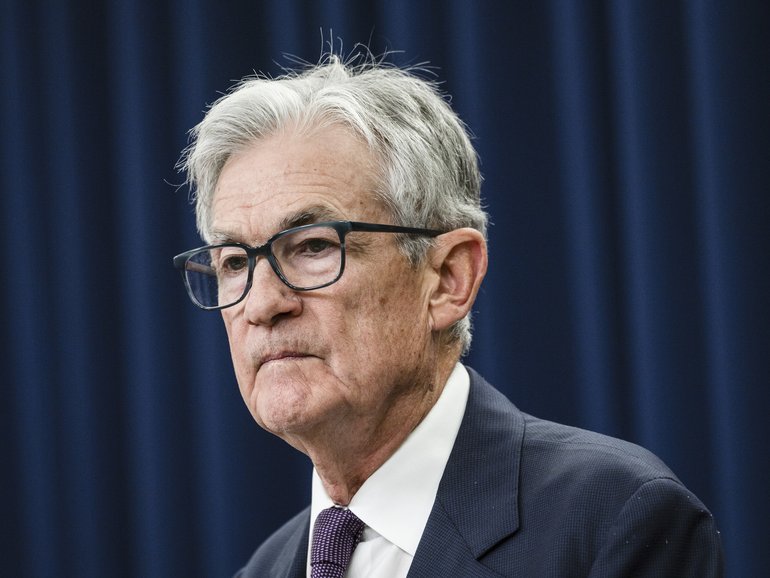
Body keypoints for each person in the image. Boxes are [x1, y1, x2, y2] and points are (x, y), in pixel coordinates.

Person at [173, 54, 723, 577]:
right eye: (235, 261)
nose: (263, 303)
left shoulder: (614, 523)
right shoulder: (267, 568)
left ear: (447, 279)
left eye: (314, 247)